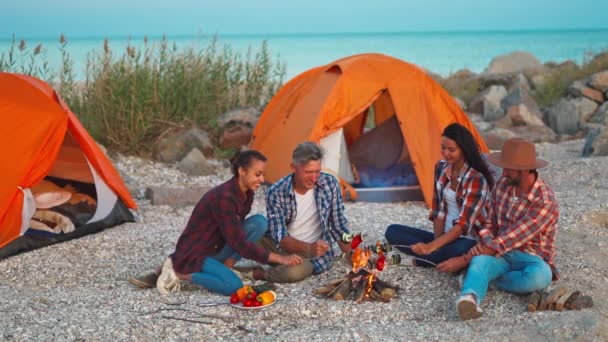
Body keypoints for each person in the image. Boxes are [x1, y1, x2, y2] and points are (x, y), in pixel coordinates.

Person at [128, 150, 302, 295]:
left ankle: (226, 267)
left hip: (217, 247)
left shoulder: (246, 193)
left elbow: (236, 234)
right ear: (242, 171)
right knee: (233, 287)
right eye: (258, 174)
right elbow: (238, 242)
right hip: (197, 253)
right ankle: (180, 273)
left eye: (262, 174)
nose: (262, 179)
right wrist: (279, 258)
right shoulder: (224, 197)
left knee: (259, 222)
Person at [456, 138, 559, 320]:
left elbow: (518, 234)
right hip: (500, 253)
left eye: (508, 168)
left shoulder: (545, 200)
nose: (503, 173)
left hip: (530, 258)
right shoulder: (502, 186)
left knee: (541, 277)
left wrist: (481, 251)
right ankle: (469, 298)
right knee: (480, 261)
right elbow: (490, 224)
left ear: (525, 170)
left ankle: (486, 279)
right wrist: (485, 245)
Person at [384, 123, 494, 271]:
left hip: (467, 239)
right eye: (443, 147)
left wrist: (430, 247)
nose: (445, 153)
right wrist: (435, 243)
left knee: (458, 248)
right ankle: (435, 257)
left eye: (451, 150)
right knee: (392, 231)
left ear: (464, 150)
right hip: (443, 237)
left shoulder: (476, 179)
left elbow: (462, 226)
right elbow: (438, 211)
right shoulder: (441, 167)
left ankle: (415, 261)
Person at [246, 141, 352, 283]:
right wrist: (308, 248)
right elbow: (280, 238)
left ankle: (260, 274)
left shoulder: (330, 184)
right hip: (283, 247)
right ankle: (222, 262)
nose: (314, 178)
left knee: (297, 271)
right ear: (293, 167)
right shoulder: (276, 192)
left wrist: (353, 254)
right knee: (248, 231)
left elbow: (340, 226)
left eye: (317, 171)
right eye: (308, 172)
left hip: (312, 257)